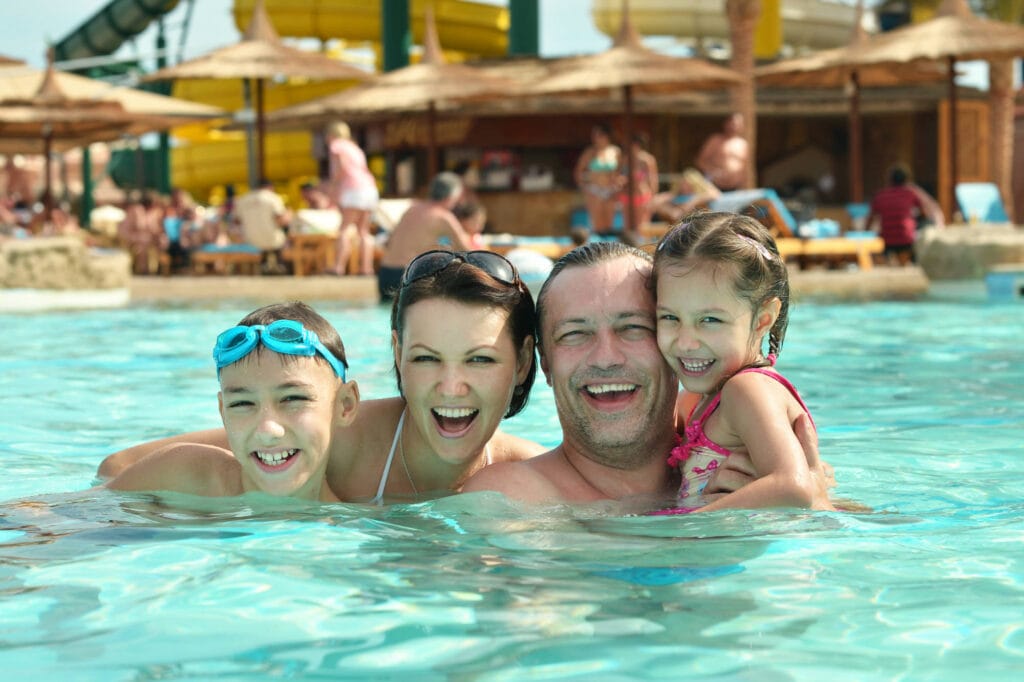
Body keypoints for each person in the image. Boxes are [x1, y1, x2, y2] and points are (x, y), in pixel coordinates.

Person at [97, 251, 543, 503]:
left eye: (480, 361)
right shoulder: (335, 431)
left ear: (523, 363)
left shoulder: (530, 476)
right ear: (398, 355)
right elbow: (120, 468)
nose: (451, 386)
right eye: (426, 359)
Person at [462, 241, 830, 507]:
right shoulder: (509, 500)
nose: (606, 357)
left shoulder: (741, 456)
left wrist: (817, 502)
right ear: (545, 364)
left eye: (634, 328)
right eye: (575, 334)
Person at [652, 211, 833, 512]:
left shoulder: (747, 390)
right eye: (670, 317)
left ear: (763, 319)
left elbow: (793, 487)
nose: (685, 341)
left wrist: (681, 531)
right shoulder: (708, 399)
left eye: (710, 319)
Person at [104, 302, 358, 502]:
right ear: (222, 412)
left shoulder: (361, 536)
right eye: (242, 403)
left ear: (345, 405)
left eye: (292, 398)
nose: (267, 430)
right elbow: (72, 519)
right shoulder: (184, 477)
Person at [377, 171, 473, 302]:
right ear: (452, 196)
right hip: (408, 274)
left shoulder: (411, 209)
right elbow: (468, 251)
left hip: (385, 272)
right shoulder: (443, 217)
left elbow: (390, 242)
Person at [326, 121, 379, 276]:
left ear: (331, 134)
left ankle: (338, 267)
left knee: (344, 229)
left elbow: (339, 170)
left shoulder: (336, 146)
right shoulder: (355, 148)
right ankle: (366, 268)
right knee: (364, 231)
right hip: (369, 187)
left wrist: (333, 190)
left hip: (353, 188)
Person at [865, 163, 944, 266]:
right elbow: (924, 212)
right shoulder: (911, 193)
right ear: (907, 180)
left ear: (889, 180)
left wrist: (864, 232)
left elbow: (870, 219)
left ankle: (891, 260)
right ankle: (912, 260)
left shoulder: (880, 195)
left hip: (887, 240)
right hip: (906, 239)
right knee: (926, 223)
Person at [574, 123, 622, 236]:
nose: (594, 137)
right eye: (594, 135)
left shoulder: (615, 151)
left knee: (609, 225)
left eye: (597, 134)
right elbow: (578, 171)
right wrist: (584, 187)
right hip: (594, 190)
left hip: (610, 190)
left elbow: (618, 171)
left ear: (606, 135)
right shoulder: (590, 152)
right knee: (597, 225)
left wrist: (618, 186)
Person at [234, 179, 292, 256]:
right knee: (288, 243)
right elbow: (281, 220)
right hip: (273, 241)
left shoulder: (243, 199)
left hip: (249, 242)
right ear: (271, 187)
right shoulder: (273, 197)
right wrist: (289, 215)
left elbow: (237, 221)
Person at [695, 113, 750, 192]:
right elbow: (700, 161)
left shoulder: (743, 144)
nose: (734, 127)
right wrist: (712, 171)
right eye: (732, 124)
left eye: (738, 124)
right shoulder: (715, 140)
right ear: (726, 124)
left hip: (736, 186)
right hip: (715, 186)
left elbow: (744, 166)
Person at [619, 132, 659, 236]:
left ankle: (642, 249)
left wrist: (653, 199)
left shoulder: (647, 160)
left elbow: (653, 180)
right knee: (627, 226)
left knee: (641, 226)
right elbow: (618, 176)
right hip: (627, 194)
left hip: (642, 195)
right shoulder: (625, 159)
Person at [650, 167, 721, 224]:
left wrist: (691, 203)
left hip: (696, 222)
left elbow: (715, 194)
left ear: (695, 185)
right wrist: (672, 211)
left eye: (689, 185)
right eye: (683, 185)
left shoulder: (700, 195)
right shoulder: (676, 195)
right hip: (677, 221)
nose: (685, 188)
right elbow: (655, 201)